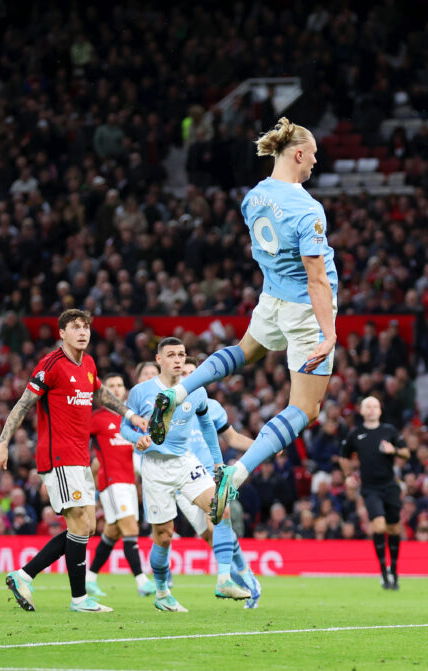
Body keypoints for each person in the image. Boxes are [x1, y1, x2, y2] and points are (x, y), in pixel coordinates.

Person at [147, 117, 337, 526]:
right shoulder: (308, 209)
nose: (314, 162)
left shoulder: (253, 197)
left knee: (246, 351)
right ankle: (237, 473)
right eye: (313, 155)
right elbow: (317, 278)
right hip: (303, 308)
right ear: (298, 153)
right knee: (306, 408)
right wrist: (329, 333)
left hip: (271, 297)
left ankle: (178, 392)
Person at [0, 309, 148, 613]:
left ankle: (24, 575)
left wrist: (130, 415)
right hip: (58, 455)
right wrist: (2, 443)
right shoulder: (51, 364)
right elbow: (23, 404)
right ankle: (79, 599)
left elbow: (101, 394)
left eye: (86, 327)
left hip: (80, 457)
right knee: (79, 521)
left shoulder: (88, 363)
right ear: (62, 333)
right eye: (75, 327)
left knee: (85, 526)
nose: (83, 332)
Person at [120, 337, 250, 612]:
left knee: (221, 507)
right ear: (159, 360)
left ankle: (224, 579)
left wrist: (218, 463)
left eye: (181, 354)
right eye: (171, 355)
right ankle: (162, 592)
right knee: (164, 536)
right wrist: (137, 439)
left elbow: (208, 427)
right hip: (155, 466)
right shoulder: (142, 392)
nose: (178, 359)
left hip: (185, 461)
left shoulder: (197, 390)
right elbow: (124, 428)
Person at [177, 360, 263, 608]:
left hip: (206, 477)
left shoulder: (212, 407)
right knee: (212, 538)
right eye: (184, 373)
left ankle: (242, 578)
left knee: (219, 518)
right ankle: (245, 576)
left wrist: (263, 447)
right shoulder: (171, 406)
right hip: (180, 480)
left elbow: (232, 438)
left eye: (193, 373)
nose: (189, 377)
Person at [85, 372, 155, 598]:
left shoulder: (131, 420)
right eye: (111, 386)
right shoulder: (97, 418)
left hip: (129, 483)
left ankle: (89, 579)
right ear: (103, 392)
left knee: (113, 531)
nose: (116, 389)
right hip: (111, 482)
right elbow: (77, 438)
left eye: (119, 385)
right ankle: (142, 581)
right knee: (131, 528)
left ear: (125, 390)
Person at [340, 396, 410, 590]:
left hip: (390, 486)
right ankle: (383, 572)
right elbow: (344, 456)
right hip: (370, 488)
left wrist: (394, 450)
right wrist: (348, 476)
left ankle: (393, 570)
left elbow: (406, 452)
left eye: (374, 406)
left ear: (380, 410)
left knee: (394, 528)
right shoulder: (355, 434)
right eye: (367, 406)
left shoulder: (389, 431)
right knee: (378, 526)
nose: (371, 410)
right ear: (361, 411)